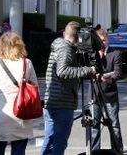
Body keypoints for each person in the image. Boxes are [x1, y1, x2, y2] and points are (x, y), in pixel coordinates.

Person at [41, 21, 97, 155]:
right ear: (78, 36)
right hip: (62, 103)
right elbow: (63, 71)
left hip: (53, 101)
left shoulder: (61, 46)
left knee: (50, 141)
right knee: (59, 143)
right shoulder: (65, 49)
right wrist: (88, 70)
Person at [0, 32, 37, 155]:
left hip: (2, 112)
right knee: (19, 150)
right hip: (21, 114)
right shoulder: (27, 63)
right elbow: (35, 86)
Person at [91, 29, 123, 152]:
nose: (101, 43)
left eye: (103, 40)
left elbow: (118, 73)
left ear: (107, 39)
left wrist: (108, 79)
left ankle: (117, 150)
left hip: (110, 94)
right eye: (99, 41)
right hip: (94, 95)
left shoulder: (116, 53)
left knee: (114, 125)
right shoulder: (92, 54)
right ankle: (94, 151)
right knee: (94, 126)